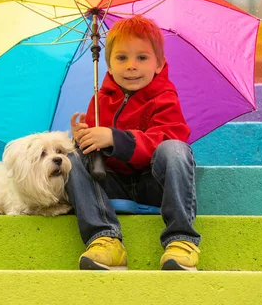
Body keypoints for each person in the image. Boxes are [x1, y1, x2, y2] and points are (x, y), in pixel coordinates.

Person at [67, 14, 201, 271]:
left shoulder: (165, 97)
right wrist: (83, 139)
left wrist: (115, 138)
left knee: (175, 149)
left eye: (142, 57)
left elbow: (169, 138)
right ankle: (105, 239)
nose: (131, 65)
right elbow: (95, 155)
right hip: (114, 187)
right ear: (108, 65)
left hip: (155, 186)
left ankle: (181, 240)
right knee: (71, 158)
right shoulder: (100, 99)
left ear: (159, 64)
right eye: (121, 58)